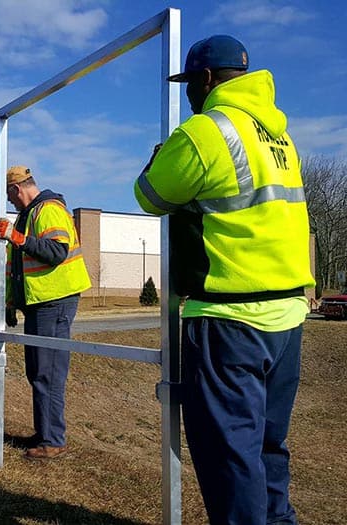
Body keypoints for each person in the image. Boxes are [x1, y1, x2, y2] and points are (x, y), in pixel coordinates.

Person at [134, 35, 315, 524]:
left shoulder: (206, 131)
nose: (191, 93)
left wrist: (159, 156)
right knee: (269, 446)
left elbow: (150, 195)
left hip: (229, 319)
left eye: (192, 83)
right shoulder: (279, 137)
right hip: (286, 315)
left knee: (229, 455)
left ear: (207, 78)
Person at [0, 166, 91, 461]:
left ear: (16, 189)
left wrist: (17, 237)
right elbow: (22, 268)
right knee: (38, 371)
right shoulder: (30, 214)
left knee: (47, 373)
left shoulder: (47, 209)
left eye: (10, 197)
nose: (11, 204)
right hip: (41, 303)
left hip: (54, 302)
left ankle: (52, 440)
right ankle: (46, 433)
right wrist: (12, 301)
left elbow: (56, 251)